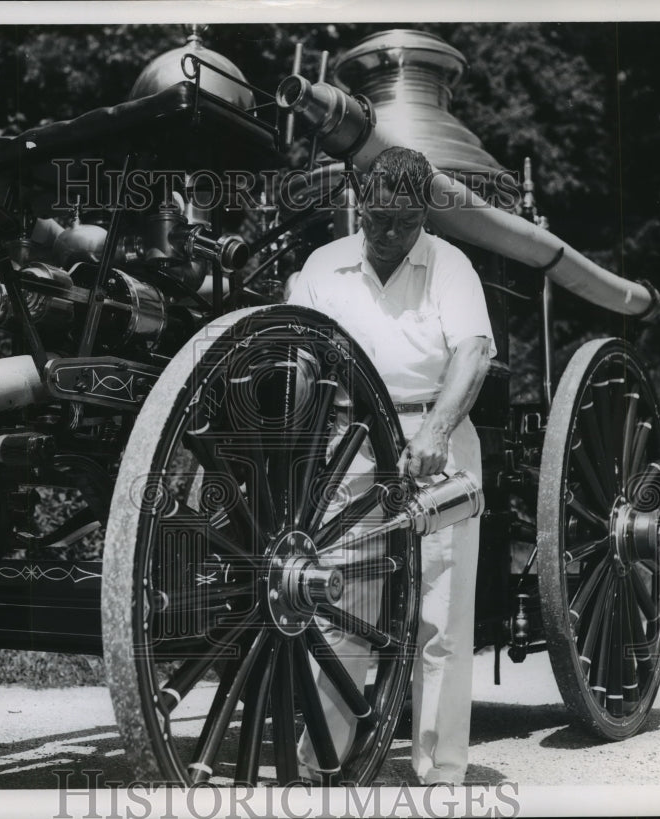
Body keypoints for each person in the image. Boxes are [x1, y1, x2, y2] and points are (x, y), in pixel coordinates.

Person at [284, 146, 496, 785]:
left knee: (441, 616)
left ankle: (441, 771)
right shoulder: (324, 266)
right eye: (376, 218)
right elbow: (299, 357)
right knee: (340, 604)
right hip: (349, 442)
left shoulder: (451, 266)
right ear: (361, 203)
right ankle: (324, 763)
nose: (387, 234)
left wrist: (436, 429)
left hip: (433, 437)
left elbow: (474, 353)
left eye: (404, 223)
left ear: (425, 214)